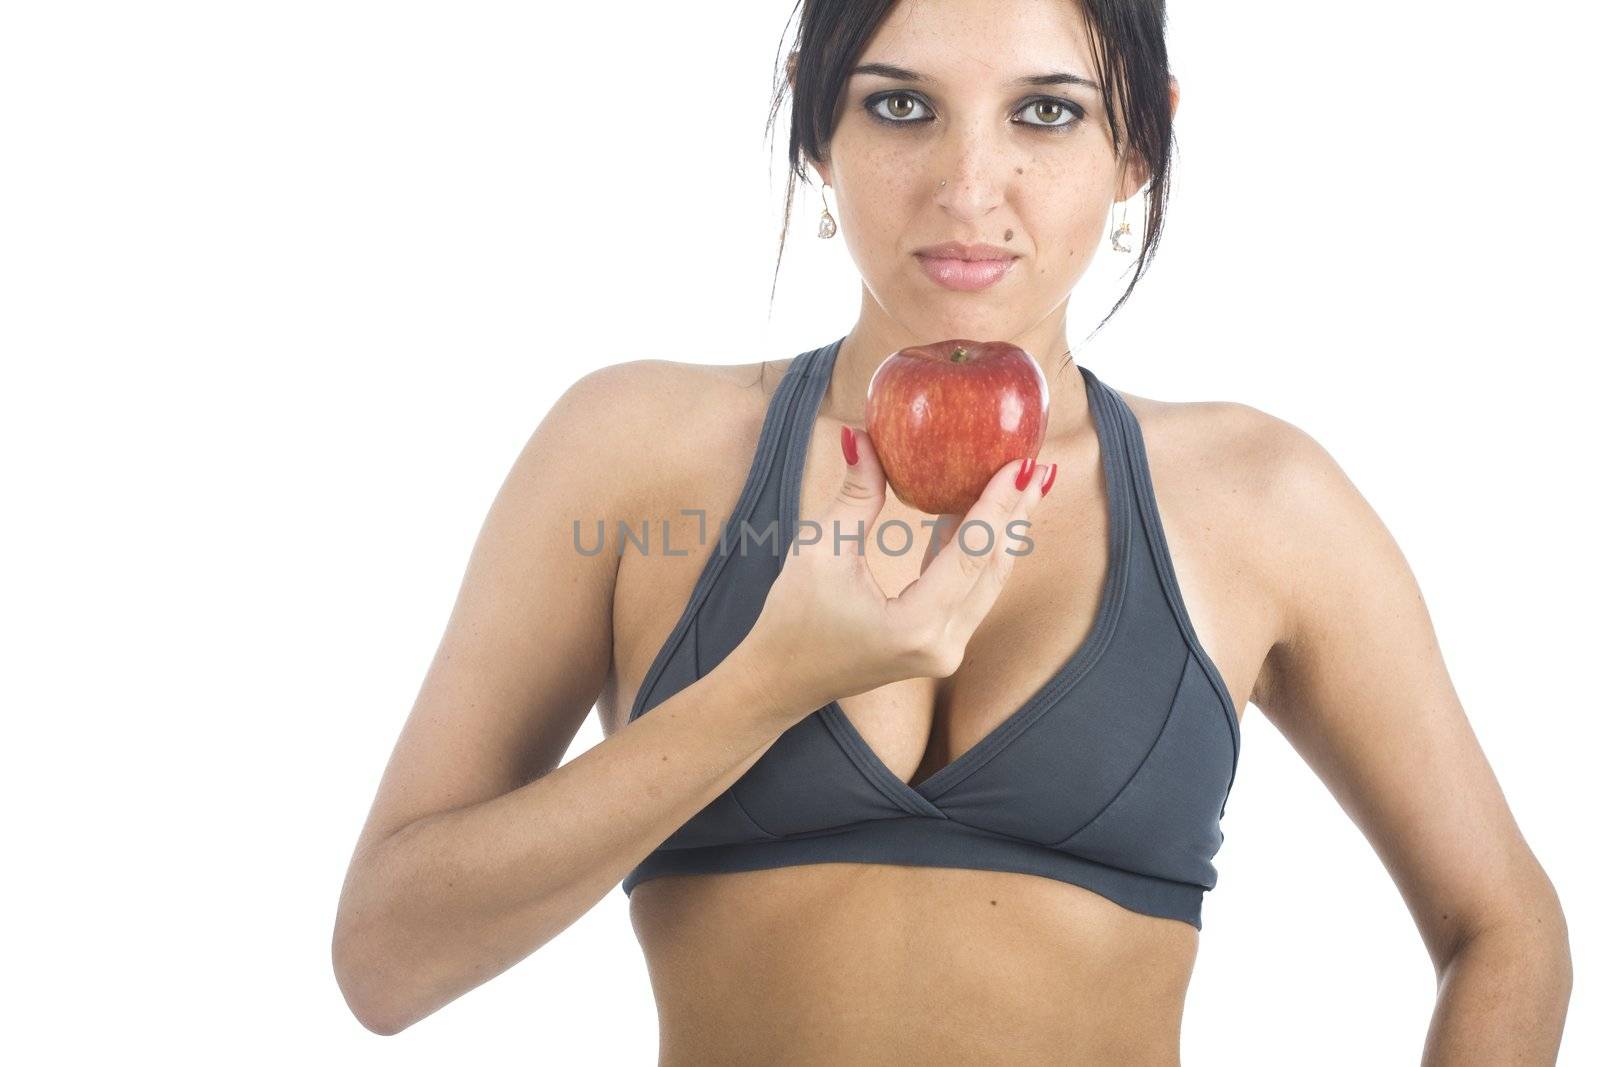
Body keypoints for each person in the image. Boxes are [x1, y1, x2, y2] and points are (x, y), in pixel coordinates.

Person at [331, 1, 1572, 1060]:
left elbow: (1503, 924)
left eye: (1046, 113)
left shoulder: (1260, 498)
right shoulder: (634, 451)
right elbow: (387, 960)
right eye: (900, 107)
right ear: (816, 122)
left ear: (1138, 142)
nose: (970, 189)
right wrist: (766, 682)